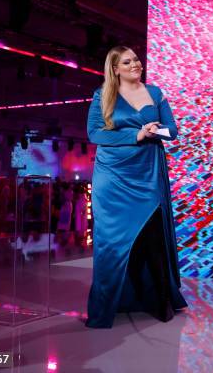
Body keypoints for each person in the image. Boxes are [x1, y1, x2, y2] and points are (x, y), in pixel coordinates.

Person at [85, 45, 187, 328]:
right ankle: (109, 304)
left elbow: (173, 131)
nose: (135, 64)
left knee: (153, 237)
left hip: (146, 172)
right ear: (115, 68)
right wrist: (137, 133)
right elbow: (95, 133)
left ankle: (160, 300)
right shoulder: (102, 94)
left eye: (137, 60)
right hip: (112, 176)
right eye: (127, 62)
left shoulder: (155, 93)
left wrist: (155, 132)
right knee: (112, 242)